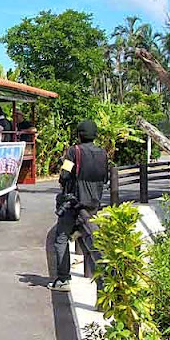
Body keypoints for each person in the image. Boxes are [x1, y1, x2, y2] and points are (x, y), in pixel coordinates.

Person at [48, 120, 108, 292]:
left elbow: (65, 174)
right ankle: (103, 285)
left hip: (73, 204)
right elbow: (105, 178)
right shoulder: (103, 153)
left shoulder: (74, 151)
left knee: (60, 239)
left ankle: (63, 279)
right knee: (93, 242)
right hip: (93, 205)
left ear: (80, 134)